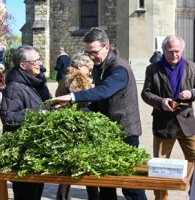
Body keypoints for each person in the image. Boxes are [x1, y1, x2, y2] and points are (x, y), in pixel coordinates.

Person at [52, 27, 147, 200]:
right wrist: (82, 112)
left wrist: (73, 97)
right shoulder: (99, 65)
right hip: (107, 131)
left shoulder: (120, 68)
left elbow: (104, 91)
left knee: (129, 184)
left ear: (107, 47)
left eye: (94, 52)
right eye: (87, 53)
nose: (91, 57)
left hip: (125, 132)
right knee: (104, 182)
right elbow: (100, 100)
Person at [141, 35, 195, 199]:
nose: (174, 55)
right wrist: (161, 101)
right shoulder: (153, 69)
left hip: (186, 123)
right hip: (163, 124)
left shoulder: (191, 67)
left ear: (182, 50)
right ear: (163, 50)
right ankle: (161, 198)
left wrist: (191, 93)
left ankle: (193, 195)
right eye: (170, 51)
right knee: (160, 165)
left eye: (177, 51)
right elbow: (145, 93)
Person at [0, 45, 52, 200]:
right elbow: (8, 116)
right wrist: (38, 113)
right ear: (23, 65)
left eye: (39, 59)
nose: (39, 64)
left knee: (36, 193)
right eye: (35, 61)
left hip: (37, 150)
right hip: (23, 153)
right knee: (25, 194)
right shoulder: (15, 86)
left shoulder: (37, 82)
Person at [55, 52, 99, 200]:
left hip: (67, 125)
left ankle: (62, 197)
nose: (90, 71)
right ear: (80, 66)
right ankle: (93, 197)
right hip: (78, 127)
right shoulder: (77, 77)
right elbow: (85, 100)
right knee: (85, 163)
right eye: (89, 68)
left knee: (67, 166)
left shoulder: (66, 76)